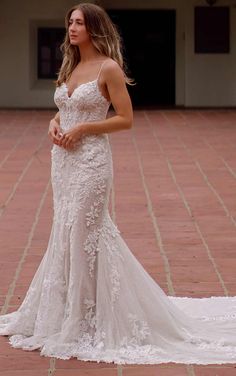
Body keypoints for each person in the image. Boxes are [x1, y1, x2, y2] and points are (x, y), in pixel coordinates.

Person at [1, 2, 236, 365]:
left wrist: (83, 129)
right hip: (63, 161)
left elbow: (126, 119)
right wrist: (55, 124)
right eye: (70, 22)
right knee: (66, 232)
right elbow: (65, 109)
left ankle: (92, 319)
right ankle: (70, 312)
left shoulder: (108, 68)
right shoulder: (72, 65)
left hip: (92, 160)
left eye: (79, 22)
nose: (72, 28)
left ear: (94, 27)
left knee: (87, 232)